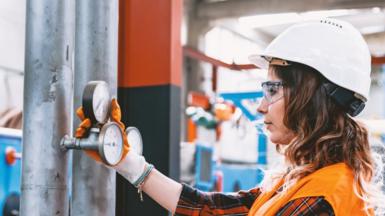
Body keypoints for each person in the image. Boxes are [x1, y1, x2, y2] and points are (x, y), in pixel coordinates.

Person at [76, 18, 385, 215]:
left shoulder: (322, 199)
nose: (261, 107)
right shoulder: (299, 181)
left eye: (272, 90)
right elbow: (208, 208)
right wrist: (127, 161)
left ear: (312, 97)